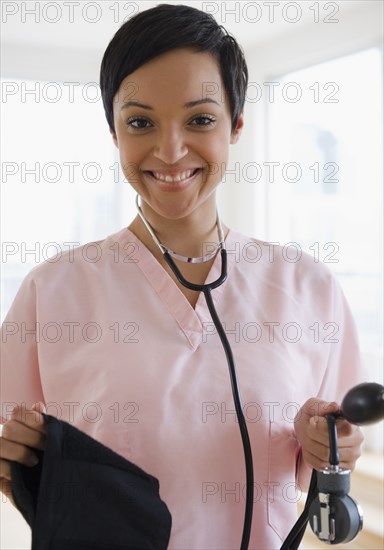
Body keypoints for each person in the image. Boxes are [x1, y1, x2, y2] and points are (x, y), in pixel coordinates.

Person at [0, 4, 366, 549]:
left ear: (237, 124)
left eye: (200, 119)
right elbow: (17, 465)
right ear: (113, 131)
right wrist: (17, 459)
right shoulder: (51, 291)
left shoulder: (308, 288)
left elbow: (336, 450)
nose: (170, 151)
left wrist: (328, 449)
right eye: (140, 122)